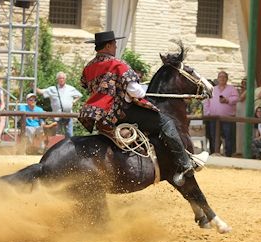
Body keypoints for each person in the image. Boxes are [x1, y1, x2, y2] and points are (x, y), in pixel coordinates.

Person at [78, 31, 202, 178]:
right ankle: (185, 163)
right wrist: (141, 91)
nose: (116, 47)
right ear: (108, 45)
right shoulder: (117, 65)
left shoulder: (89, 67)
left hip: (100, 116)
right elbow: (135, 91)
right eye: (114, 44)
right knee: (166, 122)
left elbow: (85, 84)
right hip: (121, 112)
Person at [36, 71, 82, 137]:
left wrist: (74, 101)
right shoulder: (52, 89)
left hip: (68, 115)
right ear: (57, 79)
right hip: (57, 116)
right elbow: (41, 92)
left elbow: (79, 95)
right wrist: (34, 86)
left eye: (63, 78)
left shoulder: (70, 88)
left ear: (65, 79)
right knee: (56, 136)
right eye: (60, 78)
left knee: (70, 135)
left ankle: (69, 147)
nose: (61, 79)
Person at [203, 71, 239, 157]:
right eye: (220, 77)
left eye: (224, 77)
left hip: (227, 118)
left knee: (228, 137)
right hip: (213, 118)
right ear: (218, 79)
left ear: (227, 79)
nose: (222, 78)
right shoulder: (212, 89)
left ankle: (228, 155)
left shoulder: (231, 89)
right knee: (214, 137)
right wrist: (207, 113)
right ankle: (215, 153)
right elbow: (206, 102)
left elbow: (236, 98)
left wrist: (227, 100)